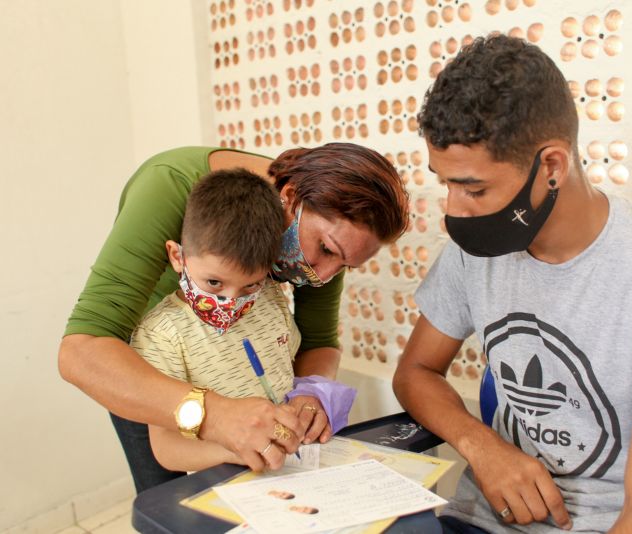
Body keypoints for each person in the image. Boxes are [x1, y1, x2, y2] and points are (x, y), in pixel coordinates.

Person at [393, 35, 632, 533]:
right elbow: (416, 372)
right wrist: (482, 447)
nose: (454, 209)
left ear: (551, 165)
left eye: (474, 188)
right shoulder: (475, 256)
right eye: (445, 183)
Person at [59, 143, 408, 492]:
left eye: (344, 265)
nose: (323, 275)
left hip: (246, 387)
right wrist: (217, 416)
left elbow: (318, 342)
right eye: (327, 250)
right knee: (168, 504)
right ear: (289, 197)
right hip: (147, 374)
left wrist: (310, 396)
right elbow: (81, 351)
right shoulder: (168, 185)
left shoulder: (330, 241)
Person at [132, 168, 355, 473]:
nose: (231, 301)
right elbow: (167, 449)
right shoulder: (161, 335)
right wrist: (235, 449)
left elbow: (291, 373)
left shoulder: (271, 298)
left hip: (287, 468)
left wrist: (309, 401)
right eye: (213, 282)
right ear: (177, 257)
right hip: (226, 478)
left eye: (250, 285)